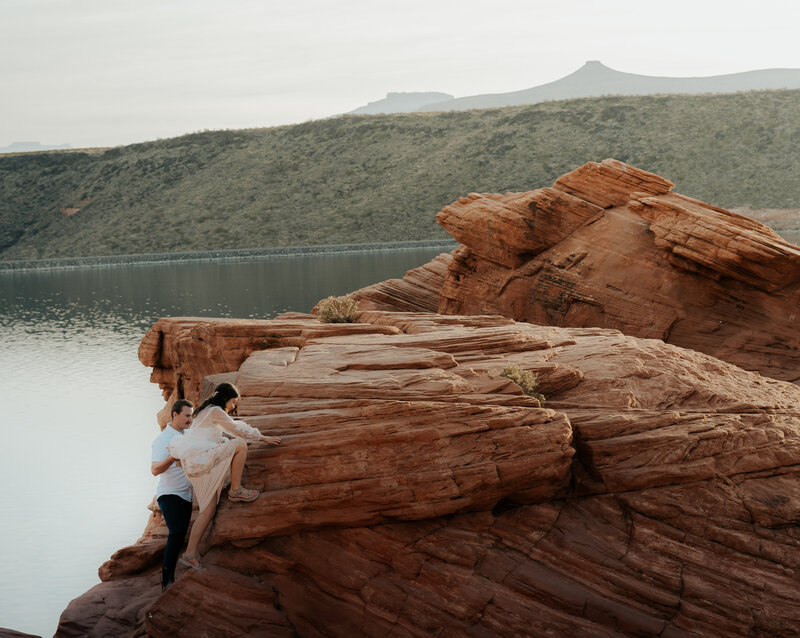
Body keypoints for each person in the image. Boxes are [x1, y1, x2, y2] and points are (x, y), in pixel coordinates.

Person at [168, 382, 281, 570]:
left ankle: (189, 554)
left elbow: (228, 427)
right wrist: (262, 437)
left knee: (207, 510)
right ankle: (236, 490)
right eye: (233, 401)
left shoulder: (207, 411)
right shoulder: (214, 411)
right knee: (240, 444)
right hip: (201, 462)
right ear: (225, 398)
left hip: (195, 465)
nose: (234, 405)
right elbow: (236, 431)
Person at [151, 398, 195, 592]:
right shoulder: (162, 440)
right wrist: (173, 455)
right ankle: (166, 580)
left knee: (180, 535)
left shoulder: (188, 434)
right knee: (176, 533)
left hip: (187, 494)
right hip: (169, 494)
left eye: (191, 416)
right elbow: (154, 470)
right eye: (187, 415)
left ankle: (176, 572)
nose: (190, 420)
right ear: (175, 415)